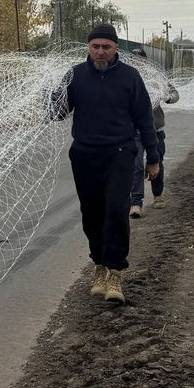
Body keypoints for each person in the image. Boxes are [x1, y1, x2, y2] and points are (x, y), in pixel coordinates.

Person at [48, 25, 159, 303]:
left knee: (117, 211)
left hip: (120, 154)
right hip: (85, 156)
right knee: (92, 213)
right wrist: (51, 97)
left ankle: (115, 273)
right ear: (89, 47)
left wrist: (153, 158)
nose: (100, 52)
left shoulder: (130, 78)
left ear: (115, 49)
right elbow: (58, 114)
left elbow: (145, 119)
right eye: (95, 46)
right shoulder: (75, 76)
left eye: (106, 47)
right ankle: (99, 265)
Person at [130, 68, 179, 216]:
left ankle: (158, 195)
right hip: (135, 131)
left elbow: (175, 94)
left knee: (157, 162)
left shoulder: (157, 78)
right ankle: (136, 203)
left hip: (156, 128)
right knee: (136, 165)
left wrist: (167, 97)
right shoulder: (128, 77)